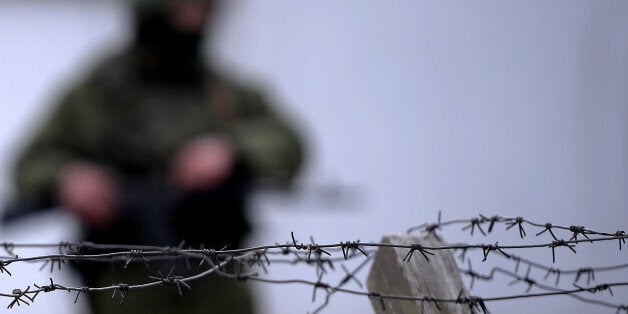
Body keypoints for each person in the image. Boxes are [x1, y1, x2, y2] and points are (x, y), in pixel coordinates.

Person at [4, 1, 304, 313]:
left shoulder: (222, 91)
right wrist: (68, 176)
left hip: (219, 277)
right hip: (128, 283)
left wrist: (231, 149)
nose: (193, 20)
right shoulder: (99, 91)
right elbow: (30, 161)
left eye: (202, 10)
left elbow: (290, 143)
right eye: (183, 10)